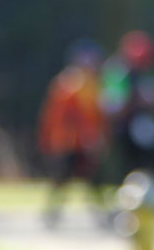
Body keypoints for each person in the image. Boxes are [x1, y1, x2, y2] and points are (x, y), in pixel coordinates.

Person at [37, 38, 107, 227]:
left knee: (91, 179)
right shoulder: (68, 84)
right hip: (68, 142)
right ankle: (52, 213)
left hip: (83, 143)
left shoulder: (92, 84)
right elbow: (63, 117)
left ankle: (100, 213)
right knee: (63, 179)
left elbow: (96, 116)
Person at [100, 29, 154, 179]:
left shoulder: (143, 73)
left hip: (141, 123)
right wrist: (135, 101)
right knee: (129, 164)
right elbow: (113, 103)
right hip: (124, 125)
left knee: (148, 161)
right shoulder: (117, 71)